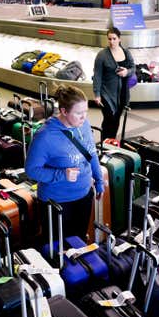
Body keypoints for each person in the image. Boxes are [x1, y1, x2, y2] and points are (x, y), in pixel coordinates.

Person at [25, 84, 104, 242]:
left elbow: (91, 153)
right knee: (58, 247)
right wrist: (61, 174)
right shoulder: (45, 136)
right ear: (63, 111)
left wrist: (99, 179)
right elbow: (31, 170)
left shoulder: (84, 125)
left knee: (78, 241)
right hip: (57, 202)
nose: (84, 117)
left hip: (83, 195)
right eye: (78, 113)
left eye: (86, 112)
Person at [92, 27, 136, 140]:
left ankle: (111, 143)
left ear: (119, 39)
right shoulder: (102, 55)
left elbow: (133, 68)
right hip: (106, 93)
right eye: (109, 39)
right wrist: (97, 94)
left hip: (122, 93)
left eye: (114, 39)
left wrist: (127, 72)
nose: (111, 42)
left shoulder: (126, 52)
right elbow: (97, 75)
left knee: (116, 120)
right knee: (108, 119)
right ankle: (104, 144)